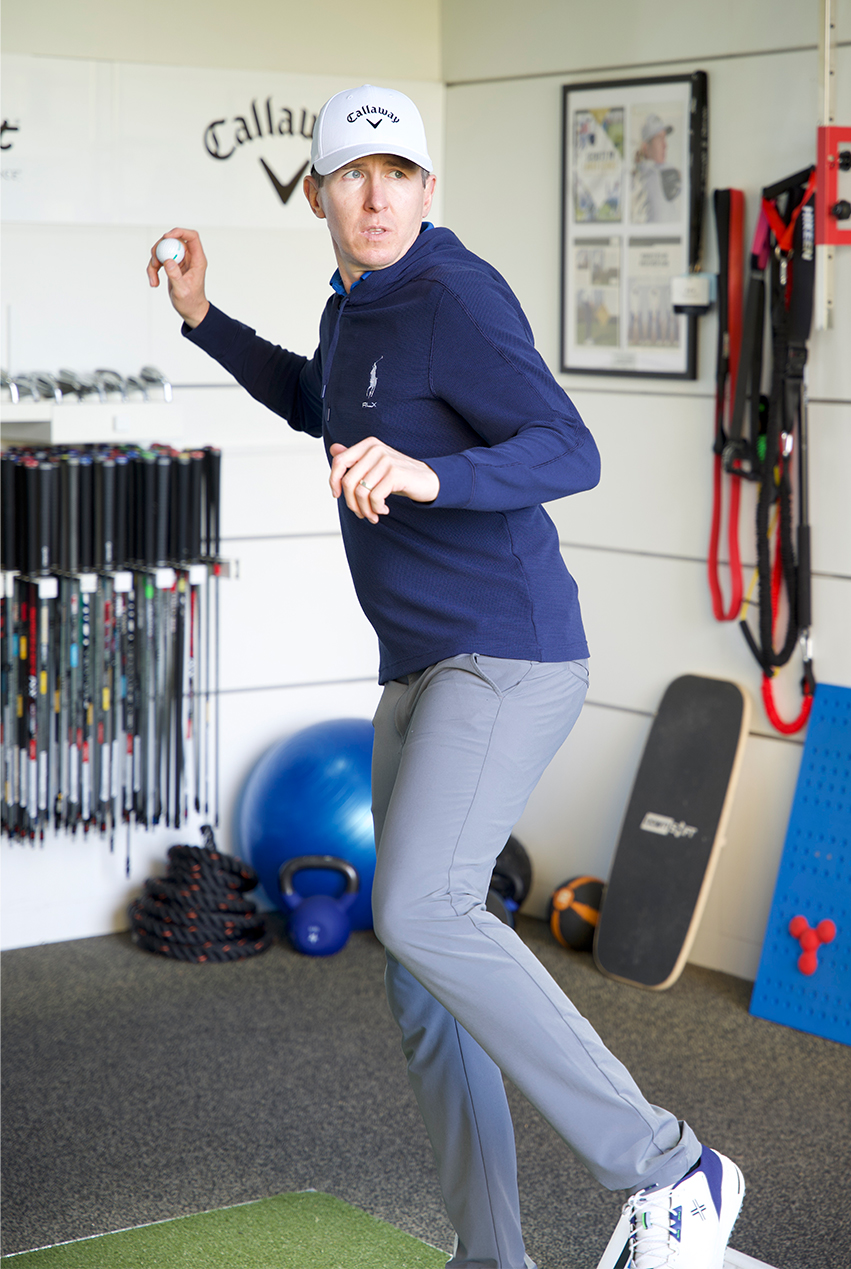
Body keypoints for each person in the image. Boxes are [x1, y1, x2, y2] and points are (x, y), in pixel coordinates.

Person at [146, 84, 744, 1269]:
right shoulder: (353, 305)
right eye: (353, 176)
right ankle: (491, 1256)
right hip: (417, 669)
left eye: (398, 176)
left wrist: (433, 476)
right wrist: (203, 317)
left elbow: (568, 446)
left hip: (508, 651)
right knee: (424, 981)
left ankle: (672, 1168)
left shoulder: (453, 293)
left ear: (427, 188)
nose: (377, 197)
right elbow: (316, 399)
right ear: (317, 194)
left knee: (422, 906)